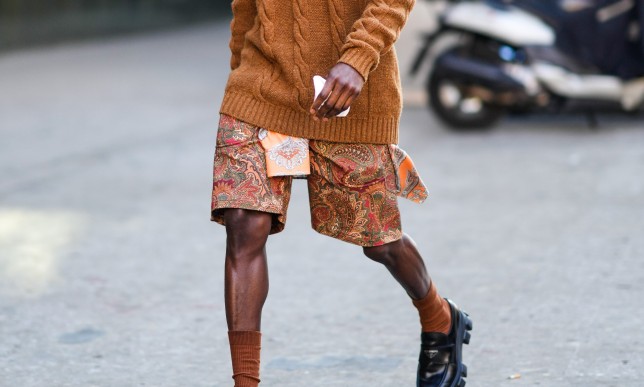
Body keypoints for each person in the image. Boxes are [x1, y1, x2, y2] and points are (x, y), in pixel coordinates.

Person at [210, 1, 472, 386]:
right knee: (244, 223)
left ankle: (439, 316)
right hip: (259, 90)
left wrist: (358, 58)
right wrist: (240, 73)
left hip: (349, 94)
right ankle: (244, 381)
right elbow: (245, 9)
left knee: (379, 242)